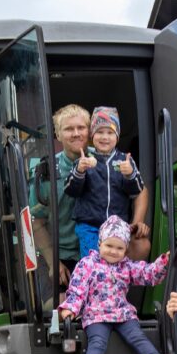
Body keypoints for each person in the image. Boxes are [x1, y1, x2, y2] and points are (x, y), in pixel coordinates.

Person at [58, 215, 172, 354]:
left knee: (137, 335)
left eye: (119, 248)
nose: (113, 251)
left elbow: (147, 273)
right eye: (109, 246)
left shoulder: (126, 266)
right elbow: (77, 288)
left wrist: (163, 263)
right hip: (97, 315)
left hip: (122, 314)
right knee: (97, 340)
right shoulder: (87, 264)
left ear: (126, 249)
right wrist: (70, 308)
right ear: (100, 244)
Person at [65, 106, 151, 261]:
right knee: (92, 264)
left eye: (110, 133)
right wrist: (80, 171)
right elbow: (71, 190)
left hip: (116, 228)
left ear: (117, 137)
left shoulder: (125, 160)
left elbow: (137, 190)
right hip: (89, 226)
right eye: (99, 132)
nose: (105, 137)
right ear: (92, 135)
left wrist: (130, 175)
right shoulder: (83, 160)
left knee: (116, 264)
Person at [29, 104, 88, 291]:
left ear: (89, 131)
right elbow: (36, 222)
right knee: (59, 304)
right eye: (69, 129)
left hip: (101, 252)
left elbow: (139, 189)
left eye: (81, 127)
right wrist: (53, 262)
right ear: (58, 135)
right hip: (62, 255)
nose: (76, 133)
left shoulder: (104, 162)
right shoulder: (46, 172)